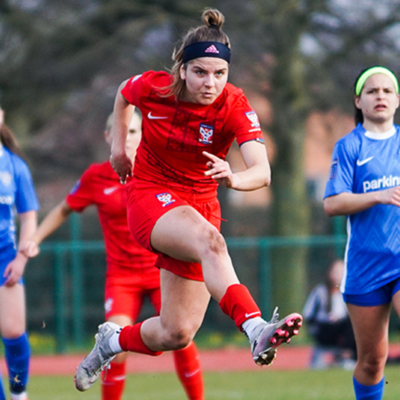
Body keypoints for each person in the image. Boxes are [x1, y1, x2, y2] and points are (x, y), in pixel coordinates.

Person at [73, 8, 303, 392]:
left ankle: (109, 343)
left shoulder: (234, 105)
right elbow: (122, 94)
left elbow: (262, 171)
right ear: (182, 69)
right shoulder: (154, 87)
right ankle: (256, 327)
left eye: (219, 73)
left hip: (200, 205)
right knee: (211, 241)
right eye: (200, 72)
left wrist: (234, 178)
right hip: (149, 192)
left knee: (175, 332)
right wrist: (118, 150)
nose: (210, 82)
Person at [21, 110, 205, 400]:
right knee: (115, 346)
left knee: (181, 340)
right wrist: (33, 239)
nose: (128, 138)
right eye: (122, 132)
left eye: (134, 131)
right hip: (122, 277)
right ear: (109, 137)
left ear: (143, 135)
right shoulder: (96, 176)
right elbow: (64, 208)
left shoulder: (158, 172)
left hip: (162, 271)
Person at [324, 65, 400, 400]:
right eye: (372, 91)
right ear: (358, 100)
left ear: (397, 99)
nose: (380, 96)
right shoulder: (349, 146)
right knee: (372, 361)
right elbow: (332, 203)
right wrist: (378, 195)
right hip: (366, 266)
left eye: (386, 91)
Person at [0, 106, 39, 400]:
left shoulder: (14, 166)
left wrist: (21, 258)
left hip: (5, 256)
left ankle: (18, 392)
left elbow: (28, 217)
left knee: (14, 332)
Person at [303, 259, 356, 369]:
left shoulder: (347, 292)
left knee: (353, 324)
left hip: (343, 329)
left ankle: (347, 357)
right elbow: (308, 314)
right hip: (324, 329)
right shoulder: (320, 291)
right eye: (336, 272)